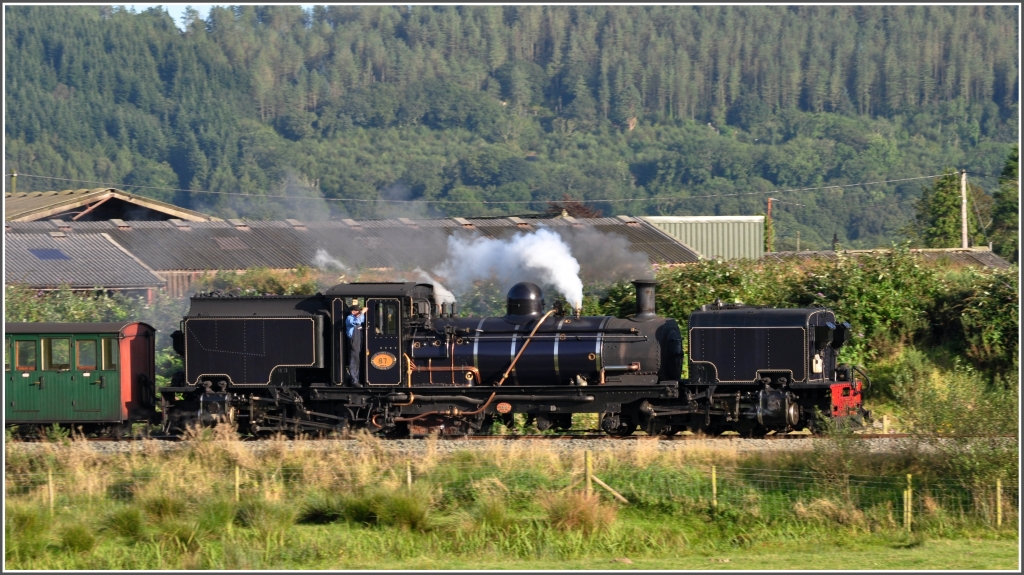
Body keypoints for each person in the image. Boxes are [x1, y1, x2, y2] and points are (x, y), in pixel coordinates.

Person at [346, 304, 368, 386]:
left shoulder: (359, 316)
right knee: (354, 360)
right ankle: (354, 381)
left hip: (359, 339)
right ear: (353, 311)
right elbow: (357, 322)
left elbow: (362, 320)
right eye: (358, 311)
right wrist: (362, 312)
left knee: (359, 359)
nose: (359, 312)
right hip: (353, 340)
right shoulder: (350, 318)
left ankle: (360, 378)